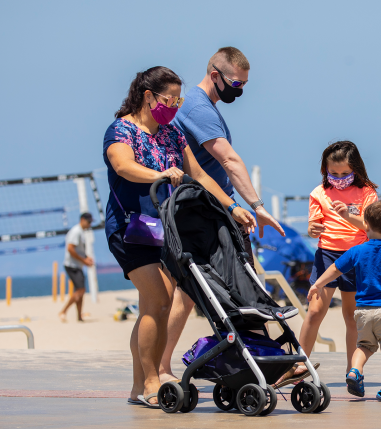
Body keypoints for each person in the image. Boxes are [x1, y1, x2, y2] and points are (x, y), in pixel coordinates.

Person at [104, 66, 256, 407]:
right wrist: (160, 174)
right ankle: (152, 381)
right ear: (148, 96)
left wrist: (233, 207)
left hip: (168, 228)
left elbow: (199, 174)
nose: (173, 105)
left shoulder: (172, 133)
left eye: (178, 99)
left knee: (155, 305)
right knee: (157, 299)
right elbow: (122, 166)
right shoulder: (122, 130)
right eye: (168, 99)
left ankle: (137, 386)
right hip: (132, 228)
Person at [160, 46, 285, 382]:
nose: (239, 90)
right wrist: (257, 208)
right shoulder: (199, 109)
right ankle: (265, 360)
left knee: (192, 294)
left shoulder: (206, 107)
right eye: (235, 83)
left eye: (244, 85)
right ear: (214, 74)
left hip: (211, 211)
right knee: (235, 286)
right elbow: (228, 160)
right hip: (209, 214)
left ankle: (265, 358)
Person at [275, 141, 379, 387]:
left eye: (345, 173)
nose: (339, 178)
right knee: (314, 312)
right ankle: (300, 364)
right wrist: (312, 229)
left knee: (351, 316)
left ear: (356, 169)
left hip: (356, 257)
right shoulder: (318, 193)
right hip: (326, 256)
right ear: (325, 170)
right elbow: (313, 226)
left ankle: (352, 371)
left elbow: (372, 228)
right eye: (334, 173)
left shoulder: (367, 192)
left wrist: (348, 216)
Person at [307, 200, 381, 401]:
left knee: (364, 346)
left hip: (362, 311)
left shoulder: (357, 250)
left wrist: (318, 283)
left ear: (365, 225)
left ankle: (354, 371)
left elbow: (335, 269)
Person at [58, 212, 94, 322]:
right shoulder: (76, 231)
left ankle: (79, 316)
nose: (89, 225)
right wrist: (84, 260)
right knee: (81, 290)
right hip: (71, 265)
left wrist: (86, 257)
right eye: (88, 222)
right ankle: (63, 311)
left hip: (77, 265)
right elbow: (70, 248)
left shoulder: (81, 232)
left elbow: (78, 250)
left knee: (80, 291)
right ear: (82, 220)